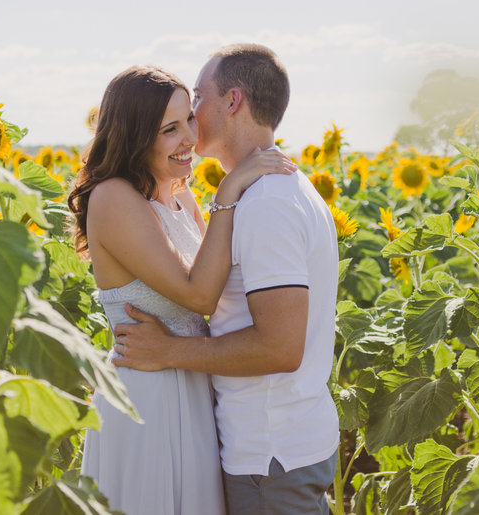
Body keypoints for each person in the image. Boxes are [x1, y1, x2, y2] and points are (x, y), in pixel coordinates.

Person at [113, 44, 341, 515]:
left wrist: (170, 350)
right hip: (269, 442)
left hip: (270, 452)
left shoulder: (265, 203)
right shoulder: (269, 192)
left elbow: (280, 347)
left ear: (232, 101)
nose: (193, 117)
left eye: (199, 99)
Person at [67, 65, 297, 515]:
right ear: (135, 136)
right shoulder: (113, 197)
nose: (189, 137)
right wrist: (229, 188)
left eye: (188, 119)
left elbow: (219, 275)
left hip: (191, 387)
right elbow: (198, 296)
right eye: (169, 129)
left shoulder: (178, 195)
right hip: (144, 396)